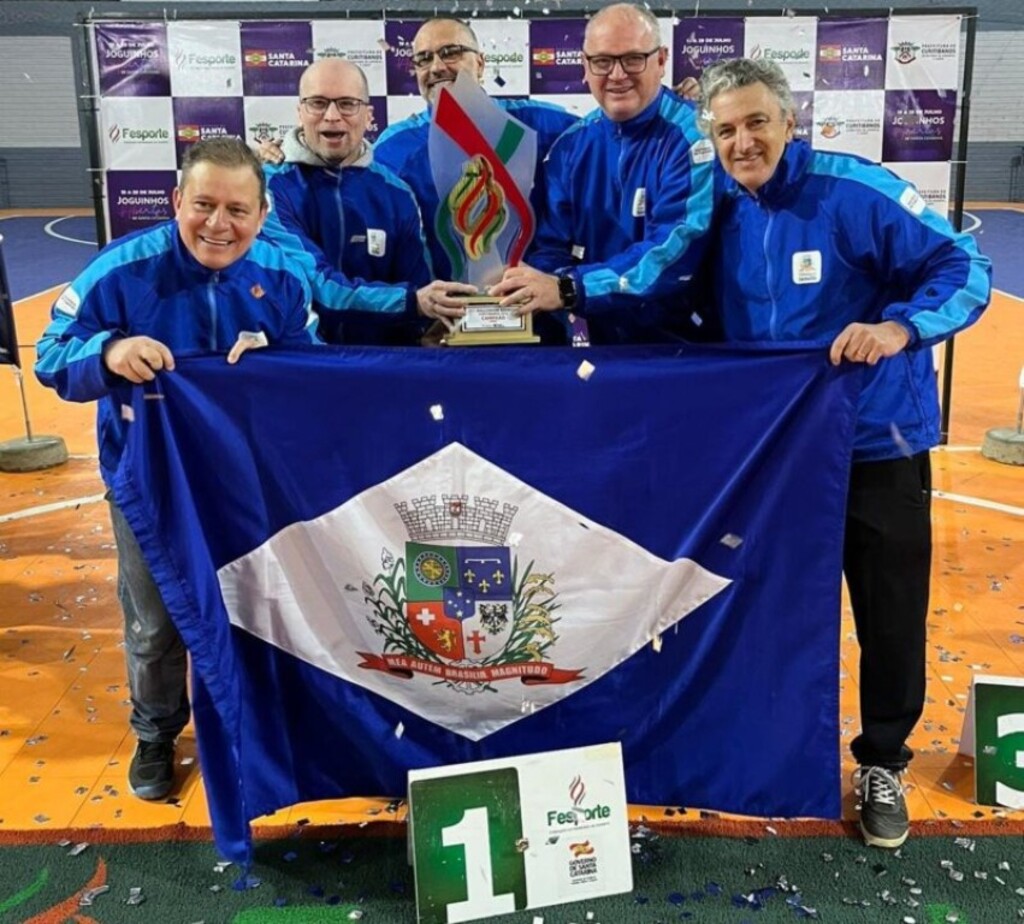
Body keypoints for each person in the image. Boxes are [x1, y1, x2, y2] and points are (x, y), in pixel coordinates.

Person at [697, 57, 991, 848]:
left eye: (757, 121)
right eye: (725, 129)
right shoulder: (714, 208)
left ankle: (884, 762)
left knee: (888, 614)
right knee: (768, 611)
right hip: (772, 457)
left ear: (791, 122)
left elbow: (967, 270)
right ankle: (768, 751)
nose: (743, 140)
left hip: (875, 446)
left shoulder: (853, 192)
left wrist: (900, 329)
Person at [34, 138, 322, 802]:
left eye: (237, 209)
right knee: (156, 619)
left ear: (262, 211)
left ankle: (258, 729)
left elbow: (313, 368)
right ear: (176, 202)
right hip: (148, 479)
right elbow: (52, 351)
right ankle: (156, 734)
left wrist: (279, 359)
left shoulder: (284, 276)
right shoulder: (120, 269)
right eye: (203, 205)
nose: (218, 224)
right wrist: (109, 351)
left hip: (246, 479)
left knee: (258, 606)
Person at [259, 18, 577, 290]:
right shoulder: (394, 147)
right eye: (423, 59)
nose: (436, 67)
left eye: (450, 53)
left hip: (539, 326)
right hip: (442, 330)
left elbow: (603, 137)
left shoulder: (544, 124)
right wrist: (280, 153)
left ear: (480, 63)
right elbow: (338, 178)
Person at [490, 3, 720, 345]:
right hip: (589, 351)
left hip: (677, 351)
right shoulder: (569, 147)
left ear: (661, 60)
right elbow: (549, 249)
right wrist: (557, 304)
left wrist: (570, 288)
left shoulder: (696, 138)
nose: (616, 75)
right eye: (602, 61)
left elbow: (674, 250)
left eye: (633, 59)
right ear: (585, 66)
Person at [261, 59, 452, 345]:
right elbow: (319, 288)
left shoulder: (397, 192)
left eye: (347, 103)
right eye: (318, 103)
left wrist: (430, 320)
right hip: (300, 367)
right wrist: (413, 301)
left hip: (381, 370)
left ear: (368, 115)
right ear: (299, 112)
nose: (332, 115)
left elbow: (420, 290)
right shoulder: (268, 187)